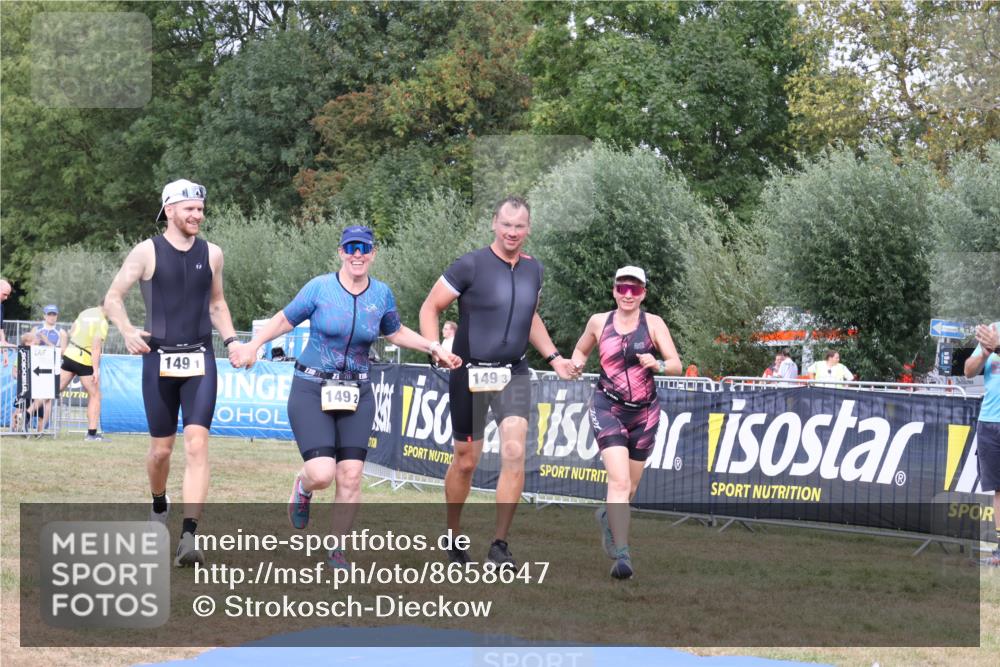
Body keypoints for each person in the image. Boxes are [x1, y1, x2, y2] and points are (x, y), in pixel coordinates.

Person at [230, 225, 461, 569]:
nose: (357, 254)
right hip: (311, 387)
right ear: (340, 251)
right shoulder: (320, 288)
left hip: (358, 391)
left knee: (351, 474)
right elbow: (285, 319)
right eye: (350, 248)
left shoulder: (381, 294)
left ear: (373, 253)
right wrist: (252, 344)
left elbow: (395, 332)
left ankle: (336, 551)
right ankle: (304, 487)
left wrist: (432, 345)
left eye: (364, 248)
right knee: (323, 473)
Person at [419, 196, 579, 566]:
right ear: (494, 223)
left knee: (513, 451)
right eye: (506, 224)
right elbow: (431, 306)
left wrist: (554, 357)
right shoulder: (471, 265)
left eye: (519, 226)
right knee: (465, 462)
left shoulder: (533, 269)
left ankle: (499, 545)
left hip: (513, 372)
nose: (512, 232)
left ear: (529, 228)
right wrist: (436, 347)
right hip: (469, 372)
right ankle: (454, 537)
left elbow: (530, 317)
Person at [104, 179, 240, 568]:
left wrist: (231, 342)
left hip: (200, 358)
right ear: (169, 210)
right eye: (189, 209)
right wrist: (128, 332)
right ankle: (159, 503)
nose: (197, 215)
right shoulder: (146, 252)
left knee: (197, 445)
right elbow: (113, 297)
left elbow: (217, 304)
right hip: (158, 359)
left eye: (200, 208)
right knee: (161, 450)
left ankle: (189, 536)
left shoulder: (213, 253)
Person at [570, 266, 681, 579]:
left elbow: (676, 364)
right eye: (622, 288)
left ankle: (608, 516)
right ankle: (622, 555)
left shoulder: (654, 324)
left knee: (629, 488)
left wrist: (656, 363)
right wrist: (577, 362)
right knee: (618, 482)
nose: (628, 295)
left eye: (635, 289)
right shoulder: (598, 321)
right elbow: (581, 348)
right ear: (614, 290)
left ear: (643, 293)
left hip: (644, 413)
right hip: (607, 407)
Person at [965, 322, 1000, 566]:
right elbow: (968, 371)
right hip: (989, 422)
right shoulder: (993, 330)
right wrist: (985, 353)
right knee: (999, 490)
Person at [59, 306, 110, 441]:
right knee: (95, 395)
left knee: (53, 390)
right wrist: (95, 370)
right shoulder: (103, 322)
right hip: (84, 359)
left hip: (70, 354)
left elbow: (72, 331)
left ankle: (26, 413)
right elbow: (96, 347)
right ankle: (92, 434)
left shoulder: (85, 312)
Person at [28, 304, 66, 431]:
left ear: (57, 316)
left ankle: (41, 430)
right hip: (36, 366)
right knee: (32, 395)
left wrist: (48, 343)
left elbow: (63, 352)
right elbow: (29, 346)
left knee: (48, 398)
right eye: (49, 314)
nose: (51, 317)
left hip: (52, 367)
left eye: (54, 314)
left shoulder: (61, 332)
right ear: (44, 315)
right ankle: (23, 422)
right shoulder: (36, 329)